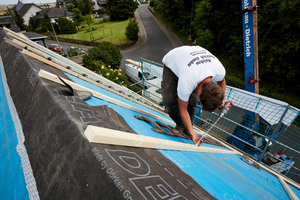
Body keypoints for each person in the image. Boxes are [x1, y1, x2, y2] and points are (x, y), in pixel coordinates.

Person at [161, 45, 226, 146]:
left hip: (193, 63)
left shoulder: (219, 71)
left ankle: (187, 127)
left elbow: (222, 81)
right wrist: (193, 133)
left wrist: (222, 98)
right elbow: (183, 109)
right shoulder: (188, 81)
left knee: (192, 101)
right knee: (169, 100)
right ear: (199, 91)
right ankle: (181, 125)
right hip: (173, 60)